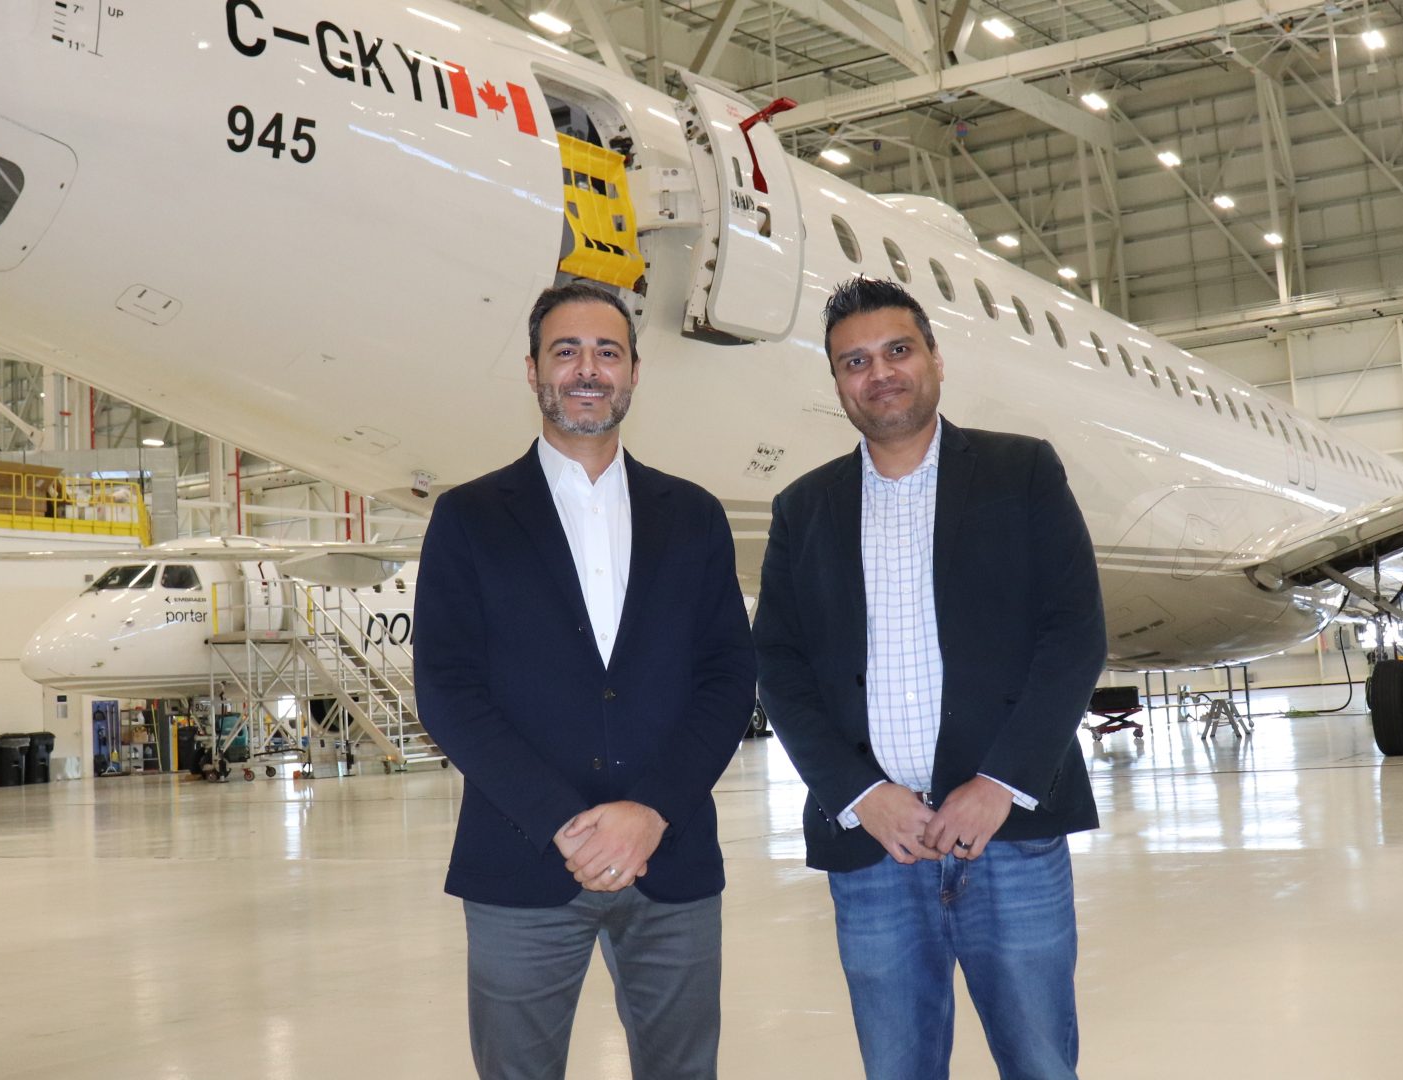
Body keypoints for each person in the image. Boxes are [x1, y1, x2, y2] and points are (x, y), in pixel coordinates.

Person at [753, 277, 1106, 1080]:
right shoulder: (802, 509)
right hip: (876, 848)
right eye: (855, 362)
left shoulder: (1022, 474)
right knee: (898, 1068)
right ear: (838, 382)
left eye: (897, 351)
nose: (879, 373)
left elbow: (1073, 634)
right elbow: (778, 664)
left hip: (1008, 836)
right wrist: (859, 795)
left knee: (1042, 1065)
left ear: (935, 360)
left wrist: (1001, 782)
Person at [414, 281, 756, 1080]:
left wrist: (652, 811)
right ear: (532, 371)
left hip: (671, 863)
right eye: (565, 351)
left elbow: (727, 678)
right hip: (522, 863)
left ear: (634, 373)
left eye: (607, 352)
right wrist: (564, 823)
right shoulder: (470, 518)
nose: (587, 369)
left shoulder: (694, 515)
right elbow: (449, 690)